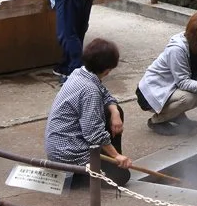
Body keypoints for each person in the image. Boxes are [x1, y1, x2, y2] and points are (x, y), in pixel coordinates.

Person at [45, 36, 132, 189]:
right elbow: (93, 134)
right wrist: (116, 156)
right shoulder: (90, 91)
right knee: (121, 177)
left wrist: (115, 112)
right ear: (107, 70)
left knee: (115, 110)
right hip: (69, 152)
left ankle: (110, 163)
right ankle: (78, 176)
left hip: (60, 145)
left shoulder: (79, 72)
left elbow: (104, 93)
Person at [137, 10, 197, 134]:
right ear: (196, 36)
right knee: (188, 98)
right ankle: (157, 121)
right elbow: (182, 82)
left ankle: (175, 114)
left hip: (174, 89)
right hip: (155, 91)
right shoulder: (177, 49)